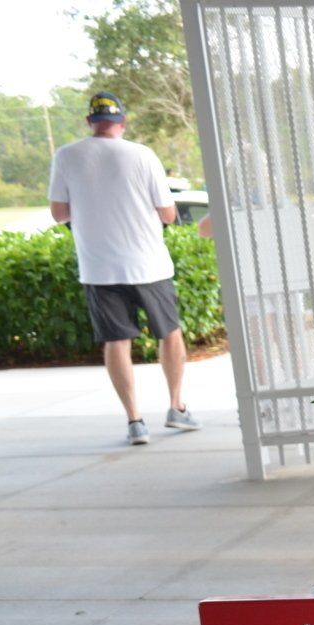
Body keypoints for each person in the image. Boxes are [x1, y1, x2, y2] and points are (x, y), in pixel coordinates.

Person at [48, 90, 199, 446]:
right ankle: (176, 406)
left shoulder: (66, 155)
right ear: (122, 122)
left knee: (116, 341)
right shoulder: (142, 155)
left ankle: (135, 422)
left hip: (98, 267)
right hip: (149, 264)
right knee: (170, 333)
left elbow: (59, 213)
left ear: (90, 122)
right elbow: (167, 213)